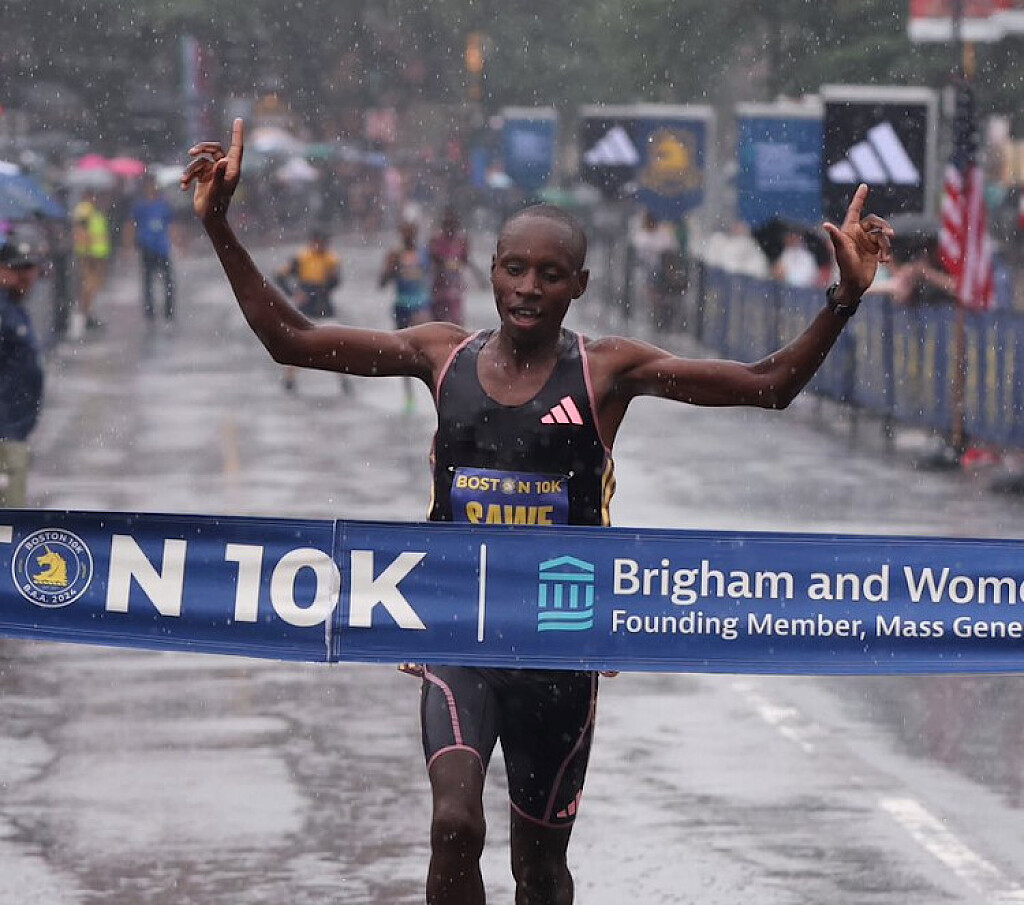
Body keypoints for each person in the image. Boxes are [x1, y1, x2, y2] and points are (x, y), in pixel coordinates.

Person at [182, 120, 893, 905]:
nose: (528, 287)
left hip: (561, 643)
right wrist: (219, 226)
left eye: (550, 275)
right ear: (490, 270)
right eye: (514, 268)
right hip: (458, 634)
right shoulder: (441, 354)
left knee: (539, 869)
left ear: (578, 284)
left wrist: (844, 298)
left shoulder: (606, 371)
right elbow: (293, 339)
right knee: (454, 824)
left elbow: (768, 384)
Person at [0, 229, 45, 508]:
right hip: (6, 434)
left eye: (29, 269)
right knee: (12, 520)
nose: (25, 277)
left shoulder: (15, 309)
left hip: (15, 429)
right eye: (17, 269)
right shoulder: (4, 311)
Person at [274, 228, 344, 393]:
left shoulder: (331, 259)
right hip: (306, 308)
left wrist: (330, 282)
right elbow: (280, 276)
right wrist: (293, 293)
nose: (321, 246)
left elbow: (336, 282)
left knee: (337, 343)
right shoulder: (301, 258)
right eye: (318, 242)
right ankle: (289, 379)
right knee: (298, 344)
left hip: (324, 307)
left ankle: (344, 378)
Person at [380, 219, 432, 412]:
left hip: (421, 305)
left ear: (416, 233)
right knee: (403, 354)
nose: (409, 236)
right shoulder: (394, 254)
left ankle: (434, 391)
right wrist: (391, 268)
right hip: (401, 305)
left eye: (412, 232)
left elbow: (435, 273)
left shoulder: (425, 252)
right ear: (401, 234)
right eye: (406, 232)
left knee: (427, 350)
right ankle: (409, 397)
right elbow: (381, 283)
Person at [128, 176, 178, 326]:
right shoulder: (140, 206)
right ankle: (150, 311)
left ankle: (168, 311)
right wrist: (130, 244)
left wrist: (175, 241)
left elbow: (171, 224)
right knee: (148, 281)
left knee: (168, 280)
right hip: (147, 246)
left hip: (162, 247)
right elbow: (132, 224)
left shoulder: (163, 204)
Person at [428, 204, 487, 325]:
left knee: (455, 321)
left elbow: (467, 260)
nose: (450, 227)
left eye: (452, 223)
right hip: (439, 288)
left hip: (455, 288)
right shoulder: (436, 240)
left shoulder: (461, 241)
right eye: (447, 223)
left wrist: (480, 278)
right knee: (438, 322)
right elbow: (431, 261)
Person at [72, 190, 111, 332]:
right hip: (91, 255)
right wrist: (88, 250)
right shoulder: (85, 210)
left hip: (96, 253)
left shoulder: (92, 211)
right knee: (89, 284)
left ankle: (88, 313)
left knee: (92, 285)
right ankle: (86, 314)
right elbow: (81, 231)